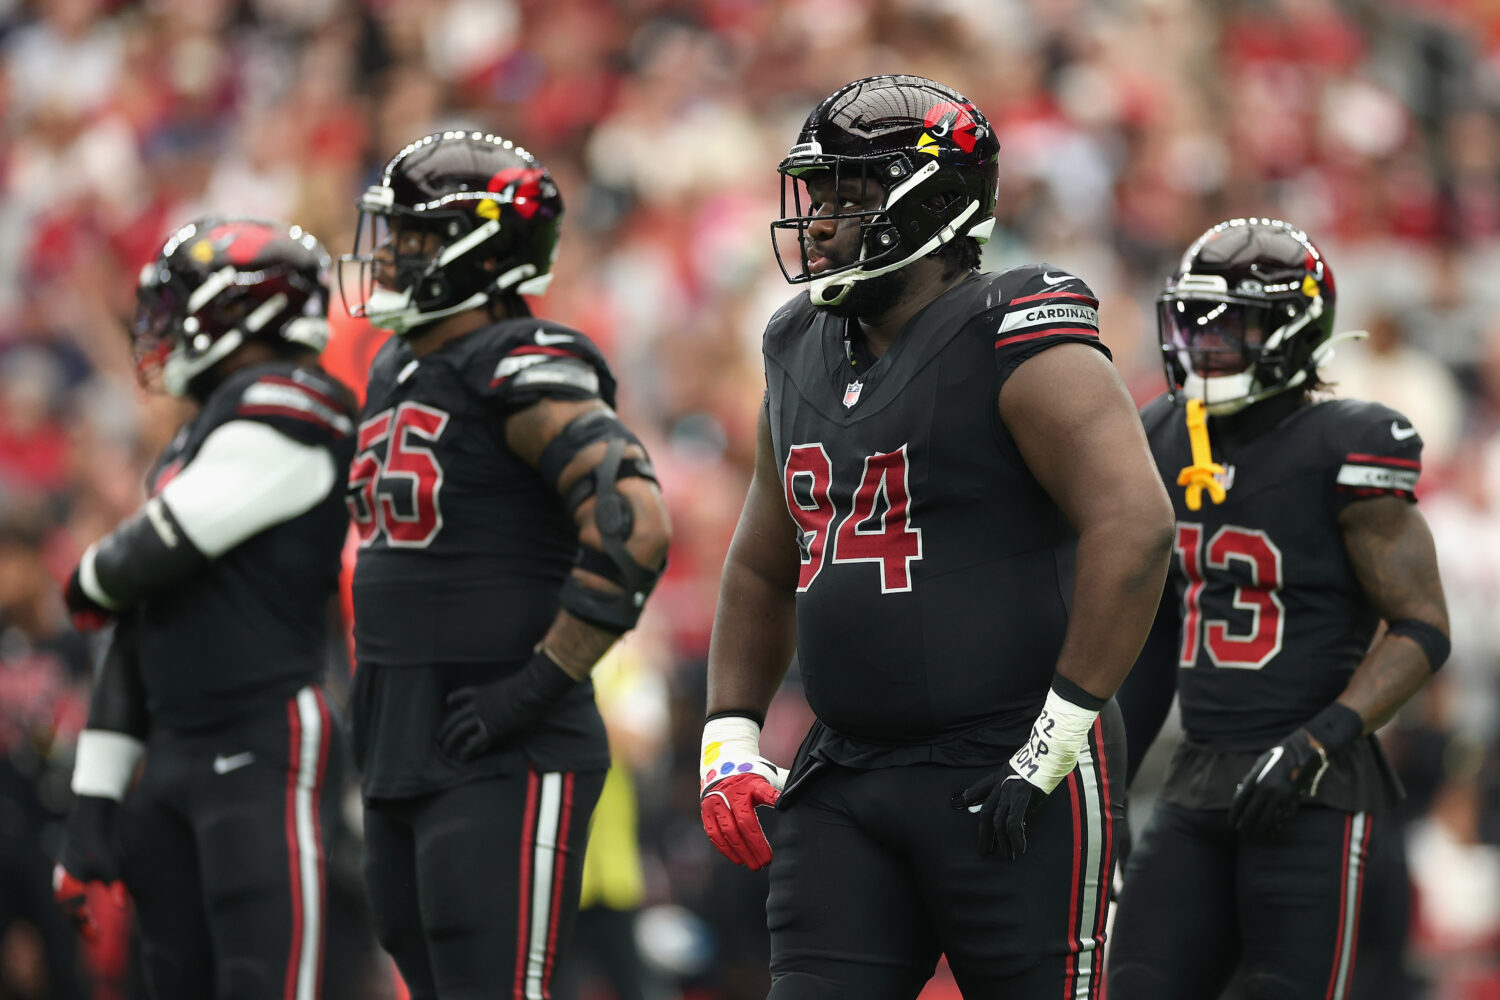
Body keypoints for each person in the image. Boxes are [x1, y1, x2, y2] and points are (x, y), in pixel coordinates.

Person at [698, 74, 1175, 999]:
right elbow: (763, 559)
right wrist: (730, 732)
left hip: (1009, 759)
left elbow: (1136, 524)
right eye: (817, 196)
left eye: (848, 196)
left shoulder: (1015, 331)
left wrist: (1058, 734)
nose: (820, 222)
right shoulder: (797, 342)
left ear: (934, 204)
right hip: (847, 769)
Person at [338, 130, 671, 999]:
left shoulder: (523, 359)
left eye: (415, 238)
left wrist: (536, 685)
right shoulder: (396, 365)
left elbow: (634, 525)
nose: (390, 256)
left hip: (504, 744)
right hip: (404, 735)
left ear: (483, 252)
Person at [1107, 218, 1451, 1000]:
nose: (1207, 342)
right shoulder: (1166, 434)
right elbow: (1155, 629)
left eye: (1235, 323)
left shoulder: (1350, 443)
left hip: (1316, 788)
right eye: (1196, 320)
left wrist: (1314, 744)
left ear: (1296, 328)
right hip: (1197, 778)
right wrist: (1111, 785)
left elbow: (1423, 627)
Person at [56, 217, 357, 998]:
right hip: (175, 753)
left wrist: (88, 575)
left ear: (241, 312)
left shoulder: (297, 404)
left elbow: (137, 562)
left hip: (262, 736)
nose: (161, 329)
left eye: (178, 306)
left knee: (267, 982)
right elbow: (137, 625)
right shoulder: (197, 437)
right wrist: (93, 803)